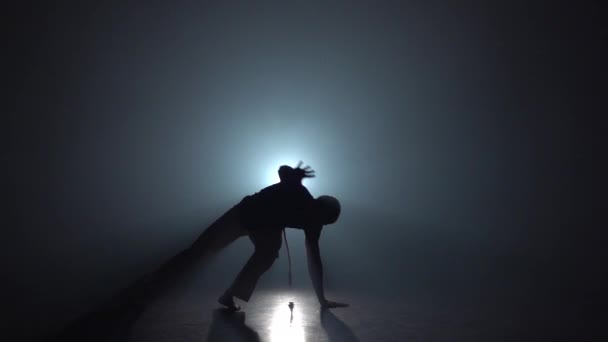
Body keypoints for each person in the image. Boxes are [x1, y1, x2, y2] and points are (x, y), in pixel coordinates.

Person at [176, 162, 347, 311]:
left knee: (269, 253)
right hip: (245, 213)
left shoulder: (314, 225)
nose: (318, 222)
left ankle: (230, 294)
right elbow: (283, 169)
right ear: (317, 205)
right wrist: (294, 176)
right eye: (322, 218)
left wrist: (321, 299)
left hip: (267, 227)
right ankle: (159, 280)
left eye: (324, 222)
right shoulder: (299, 192)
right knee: (200, 249)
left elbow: (314, 260)